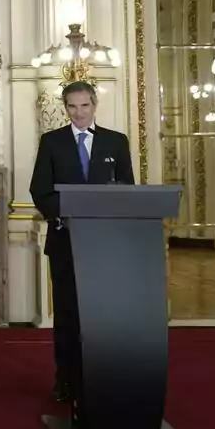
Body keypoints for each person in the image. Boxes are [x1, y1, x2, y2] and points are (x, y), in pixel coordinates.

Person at [29, 80, 135, 404]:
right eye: (72, 107)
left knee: (101, 314)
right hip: (64, 241)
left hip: (105, 245)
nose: (79, 113)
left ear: (94, 105)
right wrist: (66, 215)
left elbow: (127, 189)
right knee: (67, 315)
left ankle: (102, 377)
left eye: (84, 106)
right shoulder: (52, 142)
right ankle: (66, 381)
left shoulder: (117, 143)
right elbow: (40, 190)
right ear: (65, 108)